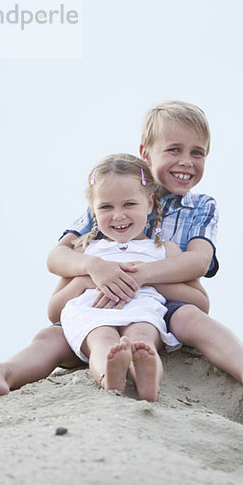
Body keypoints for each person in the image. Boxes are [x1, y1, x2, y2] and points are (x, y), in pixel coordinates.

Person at [0, 100, 243, 415]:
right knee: (51, 337)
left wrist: (141, 275)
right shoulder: (112, 195)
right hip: (95, 304)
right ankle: (2, 372)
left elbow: (198, 263)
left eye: (197, 152)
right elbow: (58, 257)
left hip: (161, 302)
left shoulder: (199, 207)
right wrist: (93, 268)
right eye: (174, 149)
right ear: (146, 154)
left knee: (190, 319)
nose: (186, 161)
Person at [58, 153, 198, 401]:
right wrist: (86, 279)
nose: (118, 215)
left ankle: (149, 382)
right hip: (94, 315)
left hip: (143, 312)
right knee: (103, 340)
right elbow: (53, 309)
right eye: (106, 207)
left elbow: (199, 301)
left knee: (142, 339)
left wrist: (145, 278)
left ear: (149, 203)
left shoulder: (164, 250)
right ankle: (108, 378)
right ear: (93, 211)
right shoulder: (84, 249)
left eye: (129, 204)